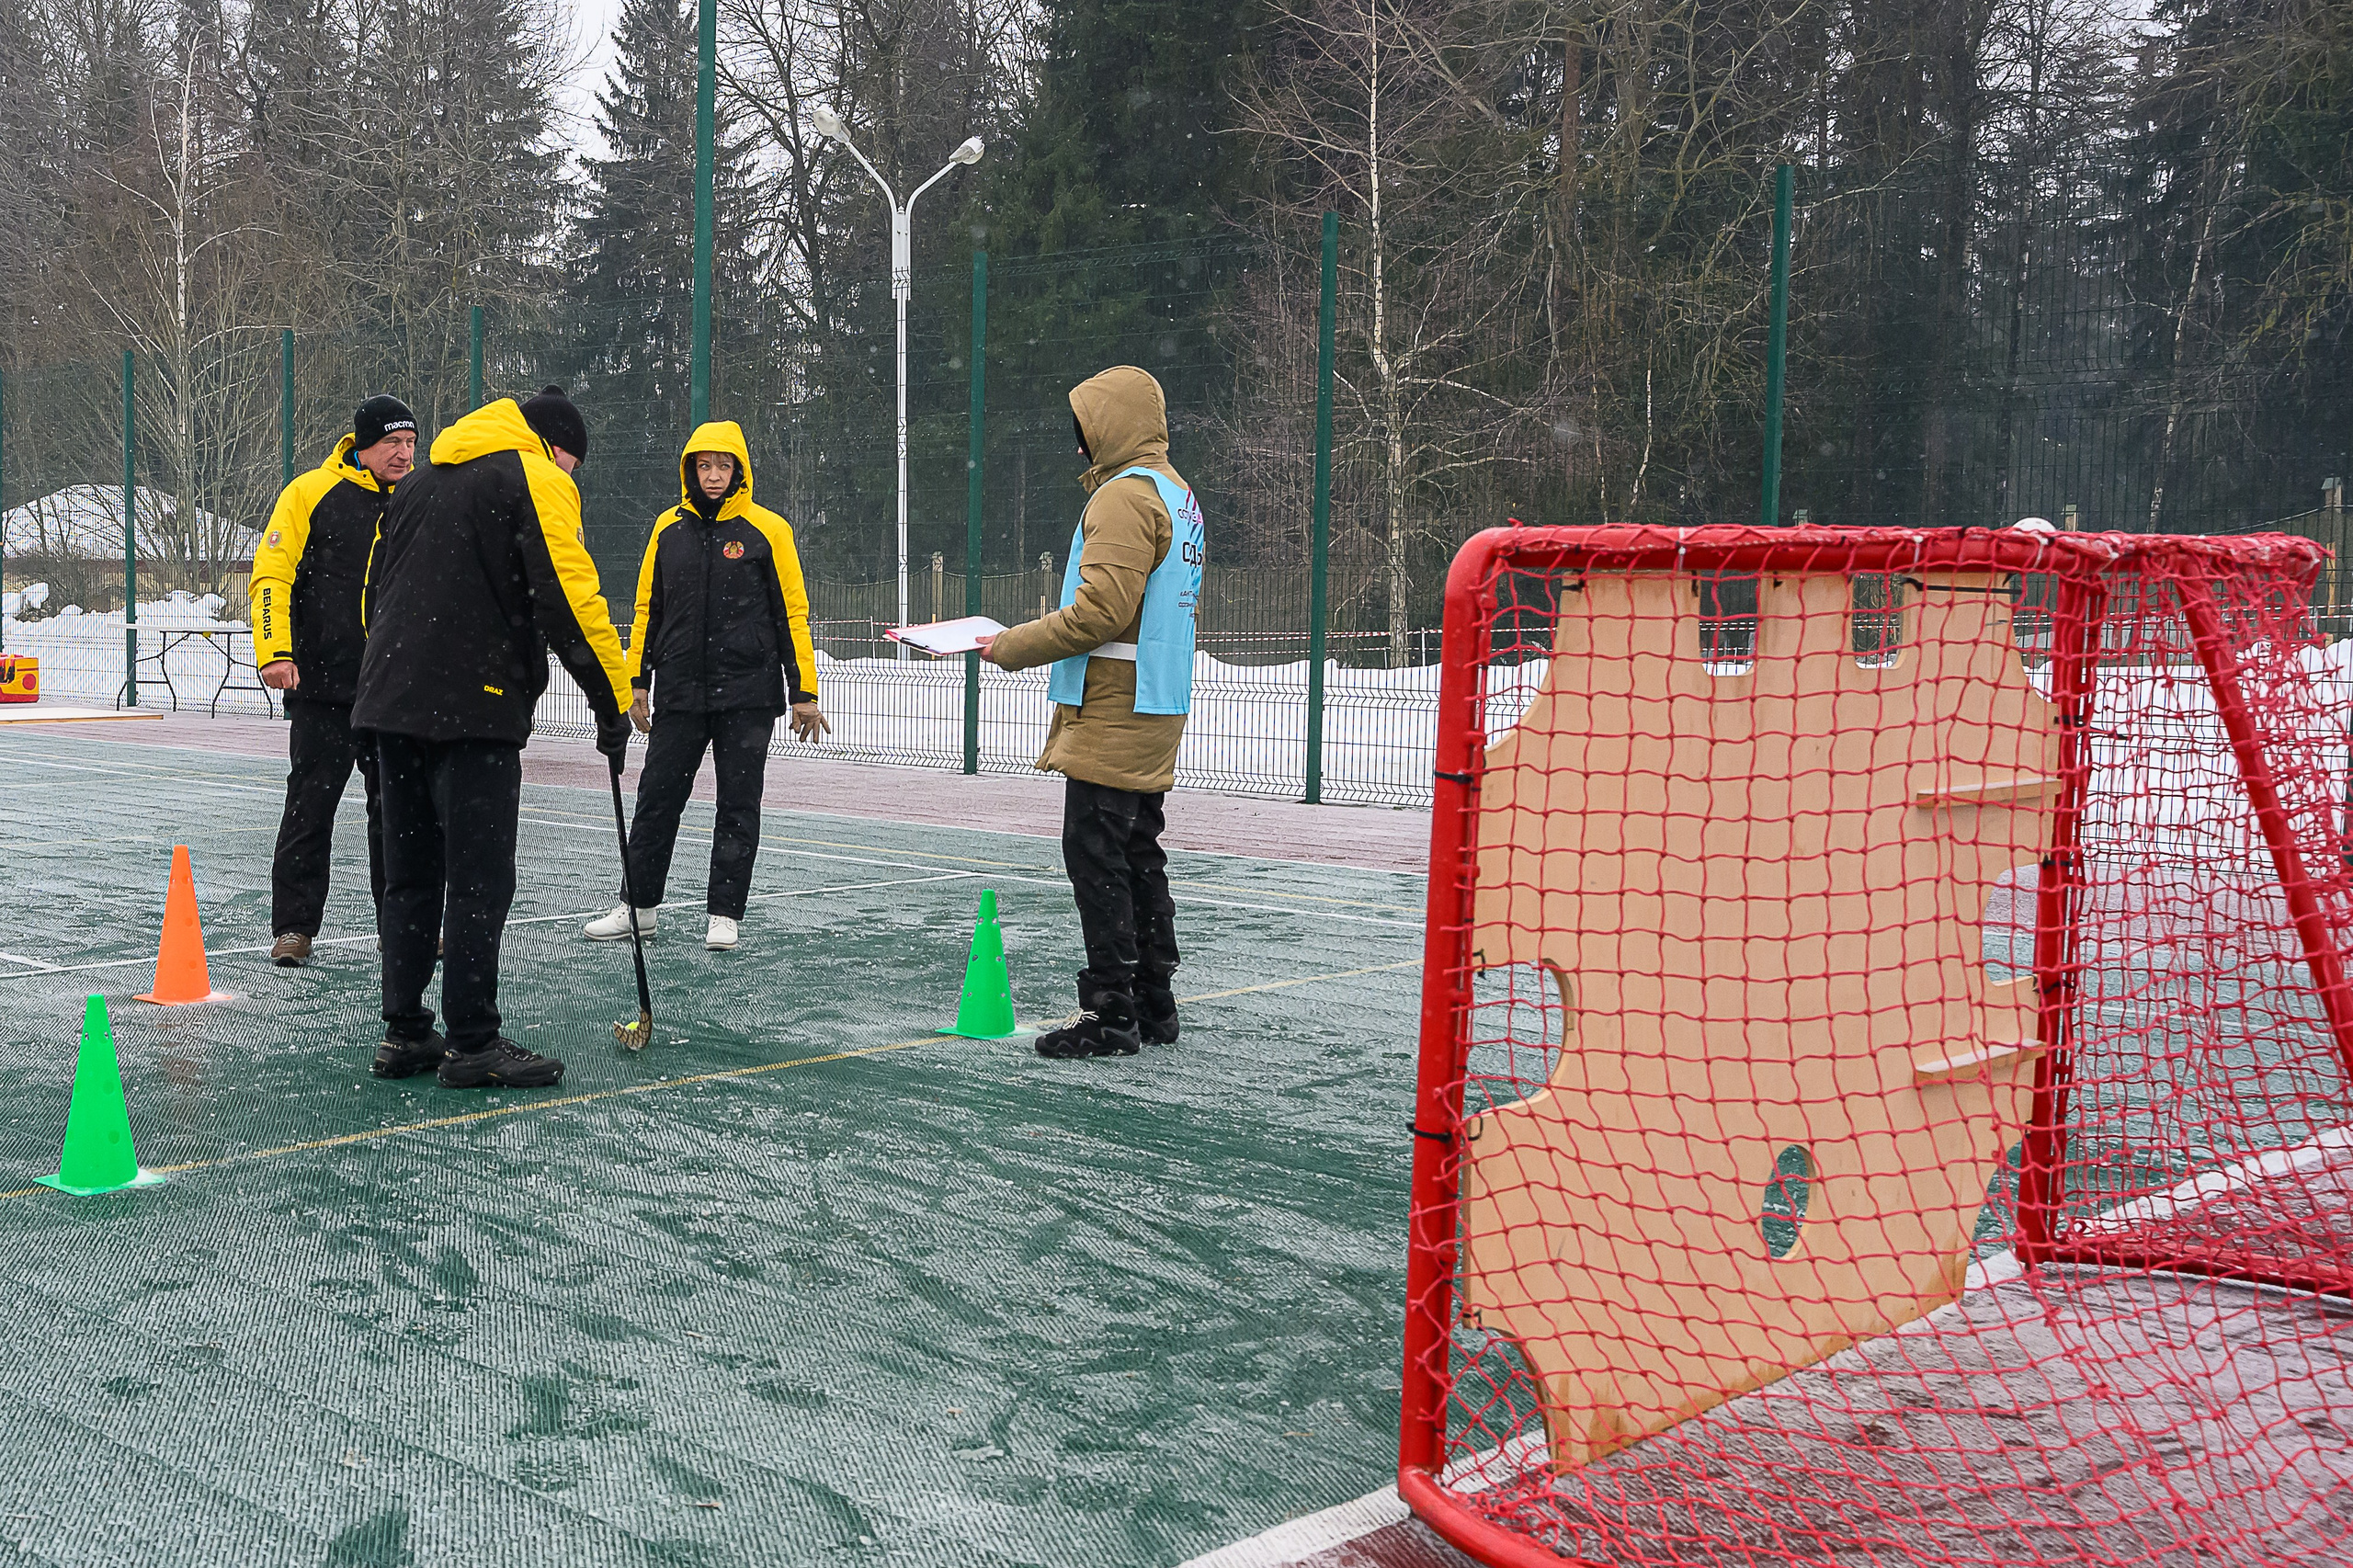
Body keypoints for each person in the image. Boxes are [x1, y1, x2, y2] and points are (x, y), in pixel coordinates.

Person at [354, 386, 633, 1089]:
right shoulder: (534, 476)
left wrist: (375, 690)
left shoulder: (418, 484)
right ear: (558, 449)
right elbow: (569, 597)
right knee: (478, 880)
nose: (572, 480)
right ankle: (474, 1041)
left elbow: (375, 593)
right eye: (574, 465)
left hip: (391, 703)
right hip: (471, 708)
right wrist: (613, 700)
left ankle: (406, 1031)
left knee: (411, 875)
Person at [978, 366, 1205, 1060]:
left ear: (1109, 429)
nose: (1080, 447)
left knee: (1097, 853)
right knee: (1137, 850)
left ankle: (1111, 1013)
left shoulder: (1124, 499)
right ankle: (1152, 1002)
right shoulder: (1178, 493)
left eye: (1086, 432)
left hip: (1117, 704)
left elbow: (1100, 611)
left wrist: (1006, 645)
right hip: (1156, 697)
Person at [584, 421, 828, 952]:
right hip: (679, 692)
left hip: (748, 694)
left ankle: (724, 914)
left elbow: (792, 614)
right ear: (690, 470)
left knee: (738, 803)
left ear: (739, 469)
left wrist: (802, 691)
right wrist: (637, 681)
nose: (714, 476)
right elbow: (649, 607)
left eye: (723, 466)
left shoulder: (769, 530)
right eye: (704, 465)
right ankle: (638, 908)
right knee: (656, 799)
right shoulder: (666, 529)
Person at [250, 394, 416, 967]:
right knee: (310, 808)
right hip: (322, 688)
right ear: (362, 445)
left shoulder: (418, 500)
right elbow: (272, 573)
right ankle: (294, 929)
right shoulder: (309, 492)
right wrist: (276, 651)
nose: (403, 454)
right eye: (393, 443)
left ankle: (402, 927)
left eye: (411, 443)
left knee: (396, 815)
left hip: (392, 692)